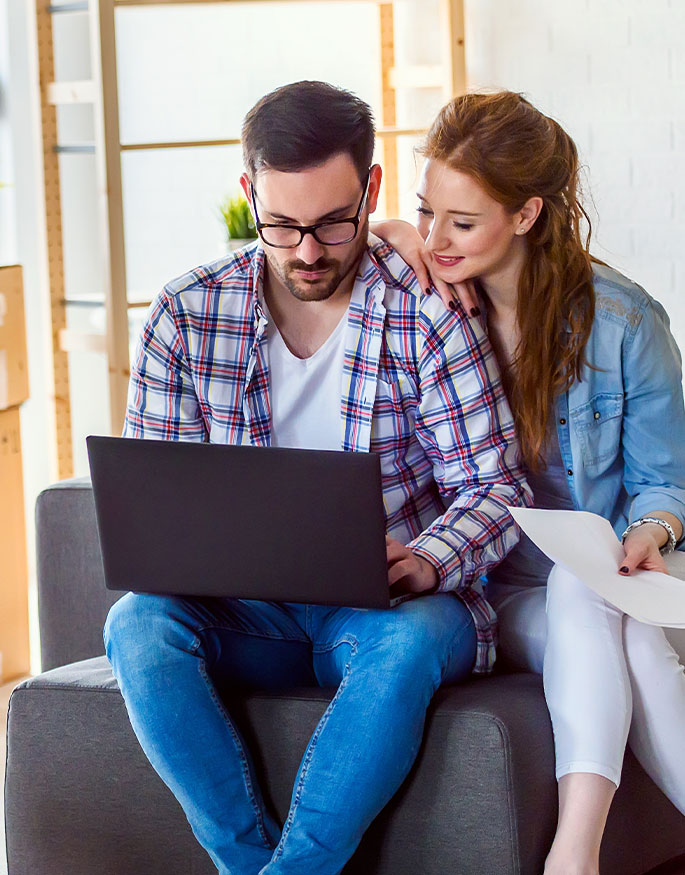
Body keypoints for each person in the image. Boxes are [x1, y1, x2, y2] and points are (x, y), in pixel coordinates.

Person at [103, 81, 531, 875]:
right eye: (282, 225)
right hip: (243, 613)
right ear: (247, 195)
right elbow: (157, 498)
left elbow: (497, 487)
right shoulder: (186, 313)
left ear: (370, 191)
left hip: (386, 610)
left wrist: (429, 558)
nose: (307, 250)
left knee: (406, 645)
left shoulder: (427, 312)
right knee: (136, 625)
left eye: (333, 223)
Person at [373, 90, 685, 874]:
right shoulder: (432, 306)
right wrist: (395, 230)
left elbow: (666, 481)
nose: (438, 239)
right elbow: (365, 242)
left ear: (526, 214)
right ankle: (572, 860)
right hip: (495, 587)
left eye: (462, 221)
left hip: (615, 577)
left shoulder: (622, 323)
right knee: (612, 626)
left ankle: (570, 859)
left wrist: (652, 530)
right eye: (427, 211)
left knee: (610, 609)